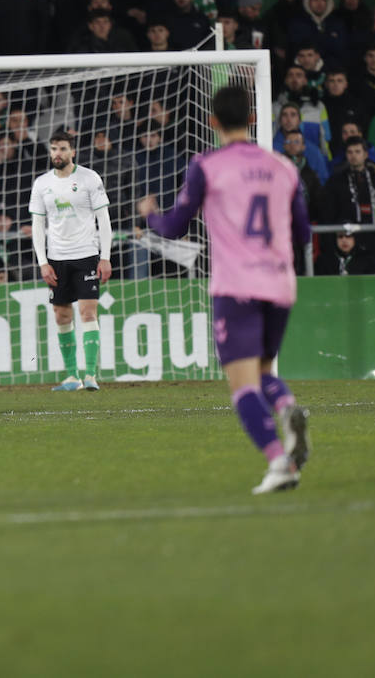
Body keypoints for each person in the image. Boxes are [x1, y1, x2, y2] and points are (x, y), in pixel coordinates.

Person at [143, 85, 311, 494]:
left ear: (213, 121)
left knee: (243, 386)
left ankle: (279, 463)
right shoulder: (283, 167)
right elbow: (303, 233)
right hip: (280, 283)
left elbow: (175, 227)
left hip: (236, 285)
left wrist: (149, 216)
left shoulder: (208, 165)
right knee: (266, 371)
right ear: (253, 120)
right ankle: (288, 407)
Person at [29, 131, 114, 392]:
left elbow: (104, 220)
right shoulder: (42, 183)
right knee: (61, 314)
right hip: (57, 259)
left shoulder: (89, 178)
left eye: (63, 148)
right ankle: (72, 377)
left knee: (88, 311)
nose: (58, 153)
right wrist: (43, 261)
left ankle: (90, 375)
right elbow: (37, 225)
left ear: (72, 152)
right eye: (54, 148)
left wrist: (105, 257)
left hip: (87, 255)